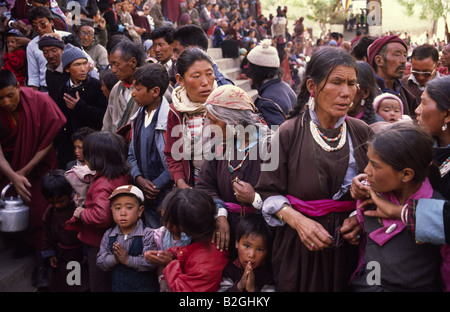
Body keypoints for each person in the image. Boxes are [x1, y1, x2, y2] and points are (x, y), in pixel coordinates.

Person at [254, 47, 373, 292]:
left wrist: (359, 218)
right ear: (312, 87)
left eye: (352, 83)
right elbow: (267, 193)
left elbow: (381, 190)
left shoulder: (362, 132)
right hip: (300, 251)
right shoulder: (287, 133)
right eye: (337, 82)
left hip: (351, 250)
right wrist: (299, 222)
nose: (346, 93)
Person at [349, 122, 449, 291]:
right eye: (368, 162)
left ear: (406, 174)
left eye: (375, 165)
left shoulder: (438, 212)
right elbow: (368, 256)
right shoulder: (370, 200)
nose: (366, 170)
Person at [195, 84, 272, 255]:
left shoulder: (270, 146)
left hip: (261, 238)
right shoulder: (220, 146)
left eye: (214, 121)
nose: (211, 127)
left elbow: (285, 193)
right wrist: (220, 213)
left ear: (234, 122)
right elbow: (205, 185)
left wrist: (255, 198)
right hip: (227, 232)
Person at [0, 69, 66, 260]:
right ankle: (25, 243)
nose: (6, 103)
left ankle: (43, 257)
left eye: (10, 95)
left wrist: (24, 171)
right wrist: (14, 176)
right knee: (9, 201)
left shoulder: (39, 101)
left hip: (39, 166)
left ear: (19, 87)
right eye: (1, 98)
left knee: (39, 208)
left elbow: (49, 140)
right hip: (9, 168)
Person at [65, 131, 131, 292]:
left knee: (99, 283)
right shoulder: (122, 175)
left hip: (99, 242)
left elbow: (102, 217)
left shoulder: (103, 184)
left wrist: (82, 213)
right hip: (118, 239)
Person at [149, 188, 229, 292]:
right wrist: (172, 254)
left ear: (183, 227)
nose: (165, 224)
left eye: (169, 220)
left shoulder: (206, 261)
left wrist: (170, 263)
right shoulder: (200, 237)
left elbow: (182, 289)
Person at [164, 47, 217, 189]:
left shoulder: (226, 104)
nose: (205, 82)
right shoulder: (176, 111)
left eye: (209, 74)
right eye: (196, 76)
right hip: (194, 186)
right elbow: (172, 154)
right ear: (180, 80)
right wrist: (181, 182)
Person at [128, 63, 173, 228]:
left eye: (138, 89)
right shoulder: (137, 118)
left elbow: (176, 160)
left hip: (165, 193)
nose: (133, 93)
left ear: (154, 92)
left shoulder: (170, 120)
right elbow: (131, 154)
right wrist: (139, 178)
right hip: (144, 192)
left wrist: (156, 185)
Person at [96, 185, 159, 292]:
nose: (123, 213)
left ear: (140, 211)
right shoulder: (109, 234)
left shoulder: (148, 234)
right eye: (117, 208)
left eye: (129, 207)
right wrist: (115, 259)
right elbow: (100, 261)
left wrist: (127, 260)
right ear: (111, 210)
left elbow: (151, 262)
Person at [55, 44, 108, 168]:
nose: (83, 69)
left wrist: (81, 107)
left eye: (84, 63)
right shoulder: (62, 89)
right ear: (67, 69)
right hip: (70, 147)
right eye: (77, 65)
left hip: (93, 145)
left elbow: (104, 116)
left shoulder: (96, 86)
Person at [40, 169, 89, 291]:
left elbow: (85, 230)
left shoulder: (77, 209)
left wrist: (85, 251)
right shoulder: (50, 212)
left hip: (75, 254)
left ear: (70, 194)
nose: (57, 205)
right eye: (53, 202)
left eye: (61, 201)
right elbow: (46, 234)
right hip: (60, 254)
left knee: (75, 282)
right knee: (61, 283)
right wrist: (50, 253)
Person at [246, 39, 296, 128]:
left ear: (258, 71)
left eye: (250, 69)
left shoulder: (266, 102)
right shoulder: (285, 87)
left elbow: (275, 138)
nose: (249, 74)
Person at [218, 213, 275, 292]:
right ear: (237, 242)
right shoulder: (230, 270)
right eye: (247, 246)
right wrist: (239, 286)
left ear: (267, 252)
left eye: (260, 250)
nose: (251, 255)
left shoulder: (267, 275)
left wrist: (252, 289)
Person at [367, 35, 418, 117]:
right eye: (397, 55)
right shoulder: (365, 93)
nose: (403, 61)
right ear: (379, 60)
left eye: (405, 55)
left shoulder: (408, 96)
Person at [102, 39, 146, 133]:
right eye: (111, 65)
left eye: (117, 64)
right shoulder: (116, 88)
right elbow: (107, 124)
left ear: (133, 62)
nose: (113, 70)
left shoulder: (150, 86)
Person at [26, 6, 70, 92]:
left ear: (51, 22)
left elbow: (87, 61)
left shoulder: (67, 37)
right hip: (46, 89)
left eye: (42, 24)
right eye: (35, 26)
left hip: (68, 86)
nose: (39, 29)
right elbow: (33, 76)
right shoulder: (32, 45)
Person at [347, 61, 383, 125]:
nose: (343, 92)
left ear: (365, 93)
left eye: (350, 85)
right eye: (337, 84)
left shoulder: (377, 128)